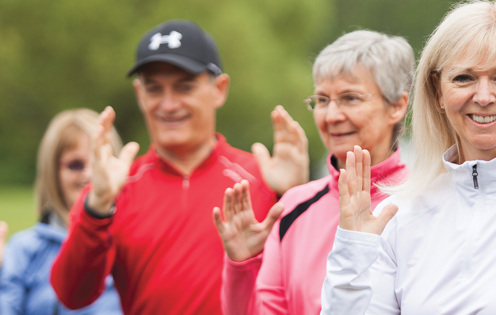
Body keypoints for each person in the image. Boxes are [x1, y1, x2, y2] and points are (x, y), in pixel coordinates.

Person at [320, 1, 496, 314]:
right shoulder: (397, 215)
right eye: (464, 78)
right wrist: (352, 255)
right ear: (437, 91)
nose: (483, 97)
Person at [50, 20, 309, 315]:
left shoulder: (262, 178)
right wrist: (97, 206)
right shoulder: (114, 190)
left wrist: (295, 197)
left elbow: (309, 284)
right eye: (154, 89)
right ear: (139, 94)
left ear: (219, 89)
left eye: (184, 87)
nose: (169, 104)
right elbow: (72, 295)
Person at [215, 30, 413, 315]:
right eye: (321, 100)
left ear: (396, 106)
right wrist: (241, 266)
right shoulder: (295, 206)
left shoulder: (425, 202)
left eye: (350, 98)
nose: (331, 116)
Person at [0, 109, 123, 315]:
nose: (89, 174)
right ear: (52, 172)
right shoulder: (25, 250)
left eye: (97, 161)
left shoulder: (131, 241)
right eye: (75, 164)